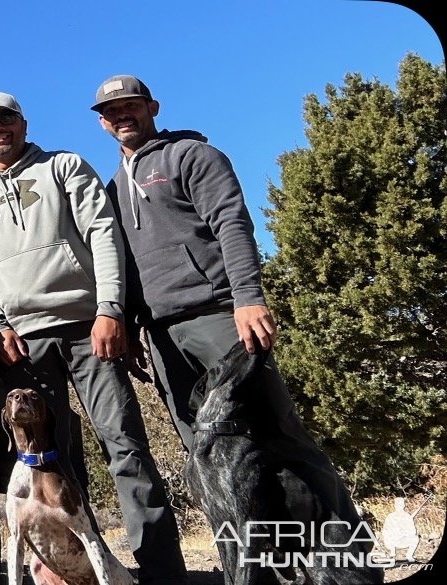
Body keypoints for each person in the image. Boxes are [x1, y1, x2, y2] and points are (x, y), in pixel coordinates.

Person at [91, 74, 376, 578]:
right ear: (101, 121)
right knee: (210, 457)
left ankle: (345, 565)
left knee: (278, 435)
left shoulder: (193, 157)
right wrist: (133, 325)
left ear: (152, 105)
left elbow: (231, 222)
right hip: (162, 335)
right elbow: (128, 265)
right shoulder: (113, 186)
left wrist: (247, 299)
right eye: (111, 111)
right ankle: (251, 569)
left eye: (130, 105)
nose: (121, 116)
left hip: (219, 316)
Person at [0, 91, 188, 585]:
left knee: (124, 445)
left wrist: (109, 309)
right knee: (49, 461)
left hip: (88, 328)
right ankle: (75, 571)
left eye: (7, 119)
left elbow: (103, 232)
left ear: (23, 121)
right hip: (24, 340)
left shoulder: (63, 167)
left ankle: (162, 571)